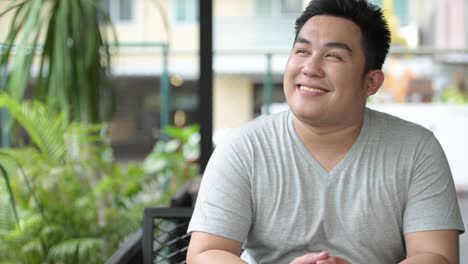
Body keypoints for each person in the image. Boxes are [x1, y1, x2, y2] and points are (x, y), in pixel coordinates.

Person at [187, 0, 465, 263]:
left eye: (333, 55)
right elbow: (205, 253)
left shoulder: (416, 149)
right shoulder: (243, 148)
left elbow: (437, 256)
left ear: (371, 82)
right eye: (302, 51)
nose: (310, 67)